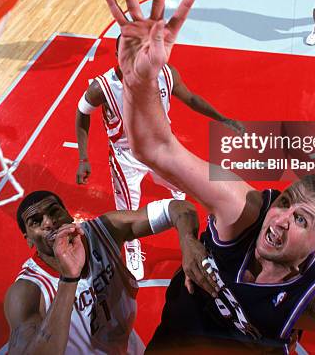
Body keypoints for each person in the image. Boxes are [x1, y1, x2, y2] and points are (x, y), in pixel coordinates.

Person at [102, 0, 315, 353]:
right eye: (286, 203)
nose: (280, 219)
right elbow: (157, 149)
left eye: (300, 219)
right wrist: (139, 85)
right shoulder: (242, 208)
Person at [76, 35, 244, 280]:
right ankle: (133, 248)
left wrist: (224, 119)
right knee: (129, 210)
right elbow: (82, 112)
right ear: (118, 58)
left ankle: (179, 199)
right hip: (127, 159)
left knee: (185, 186)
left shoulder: (165, 74)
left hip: (161, 150)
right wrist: (83, 157)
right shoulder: (102, 87)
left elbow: (192, 98)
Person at [4, 190, 218, 354]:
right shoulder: (27, 291)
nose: (49, 223)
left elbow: (178, 208)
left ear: (68, 214)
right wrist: (69, 278)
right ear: (28, 239)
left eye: (54, 212)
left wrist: (188, 241)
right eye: (36, 222)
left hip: (126, 346)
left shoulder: (103, 230)